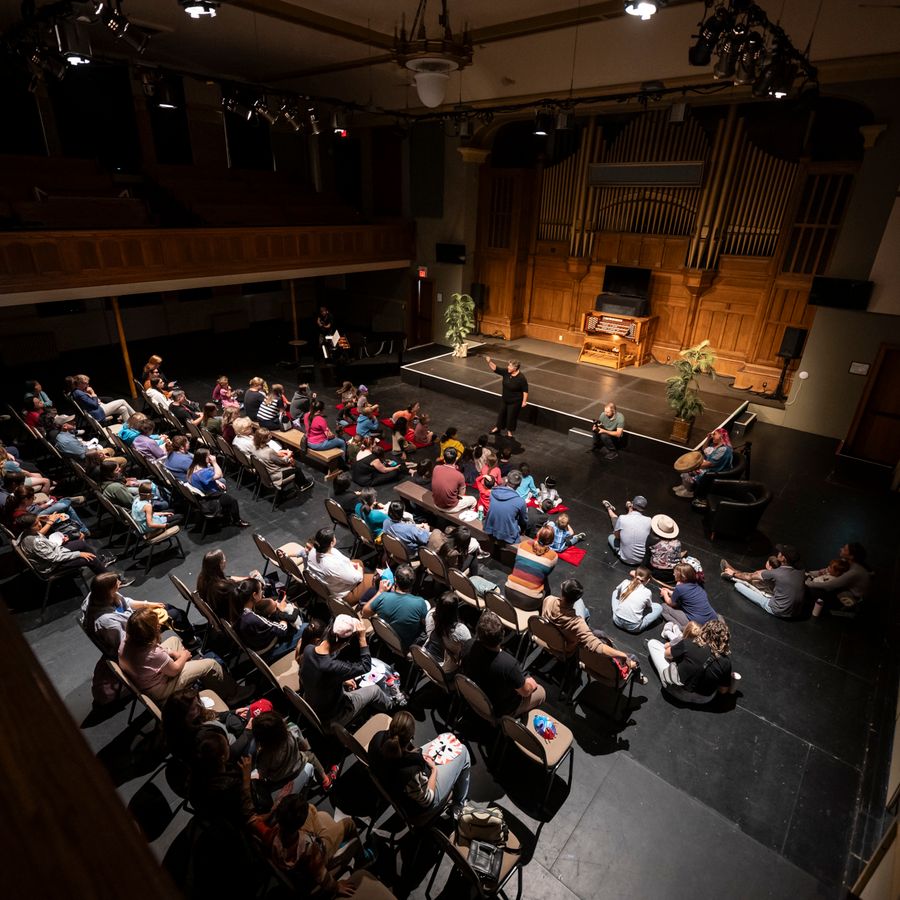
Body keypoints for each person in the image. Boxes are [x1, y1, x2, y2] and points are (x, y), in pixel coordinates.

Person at [118, 607, 243, 705]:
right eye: (156, 625)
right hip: (161, 688)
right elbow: (174, 670)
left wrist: (174, 653)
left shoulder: (126, 640)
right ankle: (234, 694)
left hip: (145, 677)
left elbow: (157, 653)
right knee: (210, 664)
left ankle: (195, 679)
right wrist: (183, 656)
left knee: (174, 640)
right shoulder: (152, 653)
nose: (159, 626)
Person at [369, 710, 471, 818]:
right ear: (411, 738)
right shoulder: (411, 771)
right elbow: (427, 800)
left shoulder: (377, 738)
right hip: (416, 807)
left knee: (448, 737)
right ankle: (458, 805)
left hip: (392, 785)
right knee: (463, 751)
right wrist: (434, 771)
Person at [300, 614, 392, 727]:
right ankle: (392, 705)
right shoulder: (334, 667)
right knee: (375, 690)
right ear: (344, 643)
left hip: (311, 703)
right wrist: (362, 638)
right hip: (333, 717)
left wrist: (341, 680)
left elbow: (320, 674)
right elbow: (365, 666)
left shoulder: (308, 649)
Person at [542, 579, 646, 678]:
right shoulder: (578, 623)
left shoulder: (548, 600)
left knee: (596, 629)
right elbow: (598, 647)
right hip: (565, 647)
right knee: (629, 656)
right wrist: (622, 655)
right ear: (576, 598)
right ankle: (637, 676)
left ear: (562, 589)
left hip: (550, 637)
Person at [81, 572, 194, 656]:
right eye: (117, 587)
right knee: (175, 615)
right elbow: (124, 645)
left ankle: (188, 632)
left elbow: (127, 602)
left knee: (166, 606)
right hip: (135, 635)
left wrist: (149, 604)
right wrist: (149, 626)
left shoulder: (98, 594)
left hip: (133, 620)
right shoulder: (107, 622)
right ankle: (191, 642)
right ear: (110, 591)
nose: (119, 587)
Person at [462, 610, 545, 717]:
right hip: (497, 709)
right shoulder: (509, 665)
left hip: (472, 698)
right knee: (541, 692)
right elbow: (525, 692)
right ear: (502, 635)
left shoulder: (468, 644)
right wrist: (530, 685)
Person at [647, 619, 738, 703]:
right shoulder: (726, 662)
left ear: (705, 630)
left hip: (675, 690)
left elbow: (667, 654)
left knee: (653, 643)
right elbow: (723, 690)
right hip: (703, 700)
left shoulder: (691, 642)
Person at [253, 710, 337, 792]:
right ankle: (326, 780)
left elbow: (262, 773)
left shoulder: (264, 754)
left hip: (279, 780)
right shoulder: (292, 729)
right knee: (310, 755)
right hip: (298, 766)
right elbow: (304, 747)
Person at [722, 544, 805, 619]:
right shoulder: (801, 571)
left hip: (777, 610)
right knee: (760, 581)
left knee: (738, 586)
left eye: (781, 552)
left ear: (783, 558)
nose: (778, 552)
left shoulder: (778, 573)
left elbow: (749, 576)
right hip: (795, 613)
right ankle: (734, 571)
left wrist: (733, 574)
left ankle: (732, 575)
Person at [15, 512, 110, 578]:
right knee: (89, 558)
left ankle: (99, 564)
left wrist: (60, 542)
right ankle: (113, 582)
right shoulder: (35, 541)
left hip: (52, 554)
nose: (40, 525)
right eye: (36, 524)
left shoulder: (25, 532)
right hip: (52, 565)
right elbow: (54, 558)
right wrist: (79, 554)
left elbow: (45, 547)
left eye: (38, 521)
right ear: (28, 527)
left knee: (81, 543)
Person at [361, 564, 429, 651]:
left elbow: (364, 613)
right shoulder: (420, 603)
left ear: (395, 580)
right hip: (404, 646)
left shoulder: (383, 597)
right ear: (413, 582)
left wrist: (380, 592)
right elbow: (426, 624)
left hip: (384, 637)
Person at [235, 577, 303, 659]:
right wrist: (282, 611)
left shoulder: (238, 608)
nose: (263, 593)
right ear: (254, 595)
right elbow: (282, 630)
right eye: (261, 590)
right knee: (306, 628)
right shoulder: (253, 618)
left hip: (255, 643)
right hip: (267, 650)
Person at [306, 527, 375, 603]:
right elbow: (356, 578)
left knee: (358, 562)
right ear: (332, 543)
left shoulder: (312, 551)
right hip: (345, 595)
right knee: (376, 579)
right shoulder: (332, 565)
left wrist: (350, 564)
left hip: (331, 584)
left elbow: (344, 563)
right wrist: (359, 570)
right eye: (334, 537)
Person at [187, 448, 249, 527]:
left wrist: (217, 481)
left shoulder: (193, 466)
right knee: (233, 501)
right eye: (208, 456)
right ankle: (237, 520)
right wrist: (214, 462)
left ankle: (226, 513)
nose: (211, 457)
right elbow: (220, 475)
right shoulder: (204, 472)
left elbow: (207, 478)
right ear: (203, 458)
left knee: (222, 483)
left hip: (202, 492)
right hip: (210, 497)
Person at [673, 428, 734, 505]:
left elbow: (710, 464)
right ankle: (684, 486)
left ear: (721, 436)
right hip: (709, 467)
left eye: (714, 434)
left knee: (688, 472)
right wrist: (708, 439)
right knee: (687, 472)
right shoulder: (716, 446)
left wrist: (693, 466)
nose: (712, 436)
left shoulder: (723, 449)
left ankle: (689, 491)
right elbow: (704, 449)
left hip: (714, 471)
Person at [505, 525, 558, 610]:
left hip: (509, 593)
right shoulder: (553, 557)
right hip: (530, 602)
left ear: (538, 534)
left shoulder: (523, 545)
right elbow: (546, 574)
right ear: (551, 542)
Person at [805, 541, 872, 608]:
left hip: (850, 596)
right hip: (845, 587)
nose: (841, 549)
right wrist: (810, 573)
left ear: (851, 556)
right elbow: (827, 570)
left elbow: (829, 585)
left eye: (845, 549)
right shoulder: (846, 562)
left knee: (814, 591)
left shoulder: (854, 572)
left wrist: (808, 583)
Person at [251, 428, 315, 492]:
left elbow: (270, 458)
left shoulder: (254, 446)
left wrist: (279, 453)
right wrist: (288, 455)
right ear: (264, 439)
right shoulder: (269, 451)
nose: (271, 436)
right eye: (268, 436)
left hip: (265, 472)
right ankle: (303, 485)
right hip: (275, 474)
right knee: (296, 469)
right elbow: (283, 461)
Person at [659, 562, 719, 628]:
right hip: (713, 619)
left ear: (683, 577)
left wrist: (664, 594)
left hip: (698, 622)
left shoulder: (680, 588)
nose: (673, 574)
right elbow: (686, 595)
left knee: (663, 607)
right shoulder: (697, 584)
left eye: (675, 573)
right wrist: (670, 591)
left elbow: (671, 603)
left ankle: (684, 628)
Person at [424, 593, 471, 673]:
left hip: (425, 659)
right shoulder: (460, 631)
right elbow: (468, 649)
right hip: (444, 670)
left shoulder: (430, 615)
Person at [484, 356, 528, 438]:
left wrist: (524, 401)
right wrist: (489, 361)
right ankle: (498, 427)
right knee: (501, 414)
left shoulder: (521, 378)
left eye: (510, 366)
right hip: (505, 399)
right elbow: (496, 369)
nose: (508, 367)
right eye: (508, 365)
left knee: (511, 416)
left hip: (515, 401)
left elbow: (525, 390)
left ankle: (509, 432)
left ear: (515, 368)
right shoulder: (506, 372)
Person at [611, 567, 664, 633]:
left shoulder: (625, 582)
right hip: (633, 628)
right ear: (648, 581)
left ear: (634, 575)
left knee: (615, 592)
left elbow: (617, 591)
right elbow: (649, 606)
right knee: (659, 607)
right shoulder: (647, 592)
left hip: (617, 621)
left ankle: (619, 611)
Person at [604, 495, 652, 565]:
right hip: (642, 560)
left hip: (626, 559)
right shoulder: (649, 520)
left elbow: (617, 537)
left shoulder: (622, 518)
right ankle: (609, 508)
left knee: (611, 537)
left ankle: (609, 508)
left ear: (632, 505)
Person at [484, 469, 528, 545]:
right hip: (507, 535)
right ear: (519, 485)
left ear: (507, 480)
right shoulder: (520, 501)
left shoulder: (493, 492)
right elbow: (523, 521)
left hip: (490, 528)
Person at [71, 374, 135, 423]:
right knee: (122, 401)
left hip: (99, 408)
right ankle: (137, 417)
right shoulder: (79, 393)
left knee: (123, 409)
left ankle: (129, 427)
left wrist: (92, 397)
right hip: (98, 412)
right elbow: (94, 405)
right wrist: (93, 394)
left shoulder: (78, 391)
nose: (88, 385)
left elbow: (91, 402)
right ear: (79, 383)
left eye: (88, 383)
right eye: (86, 383)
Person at [430, 448, 476, 512]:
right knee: (473, 500)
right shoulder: (459, 475)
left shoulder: (436, 468)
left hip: (436, 503)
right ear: (456, 458)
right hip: (450, 508)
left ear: (444, 458)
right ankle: (469, 515)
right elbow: (461, 494)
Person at [644, 514, 682, 584]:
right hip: (674, 574)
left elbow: (647, 556)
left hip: (657, 574)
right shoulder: (678, 542)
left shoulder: (652, 539)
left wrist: (643, 568)